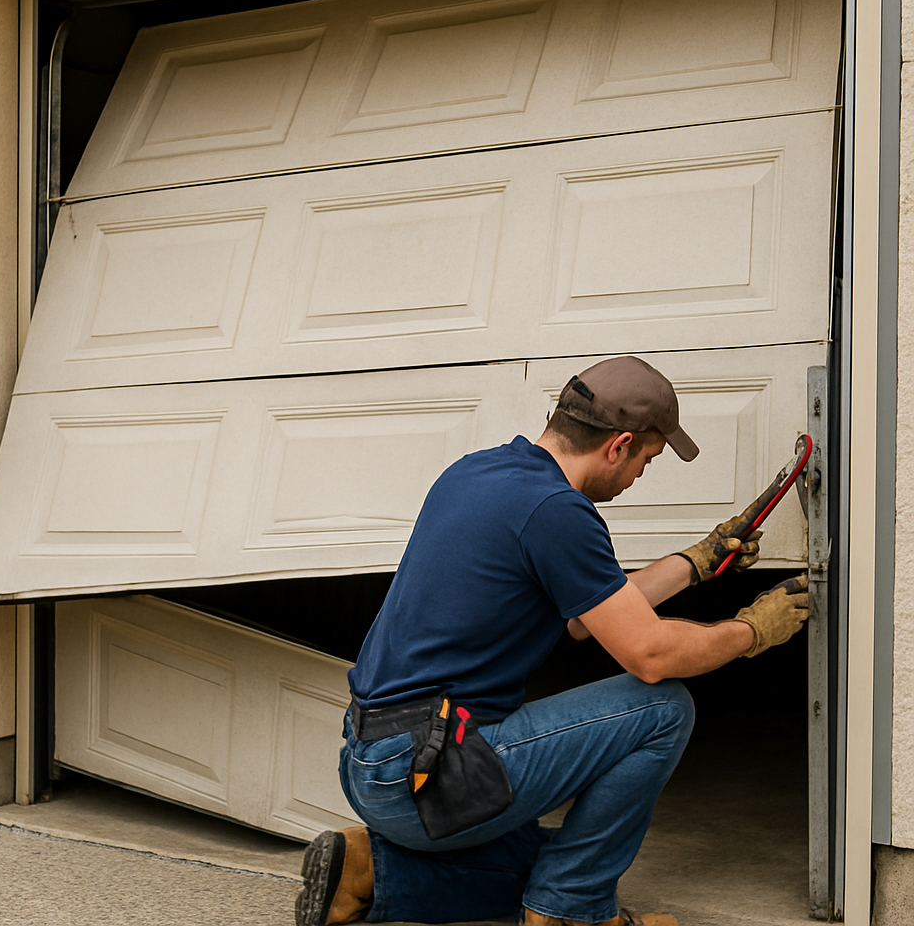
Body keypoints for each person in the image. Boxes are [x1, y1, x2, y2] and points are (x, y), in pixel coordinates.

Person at [295, 356, 809, 926]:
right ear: (618, 446)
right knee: (662, 708)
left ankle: (367, 871)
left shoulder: (479, 472)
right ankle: (572, 913)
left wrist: (697, 562)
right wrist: (754, 631)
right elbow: (651, 654)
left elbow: (587, 619)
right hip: (427, 768)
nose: (640, 475)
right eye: (647, 458)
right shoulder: (557, 511)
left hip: (375, 759)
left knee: (550, 858)